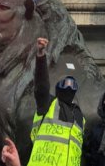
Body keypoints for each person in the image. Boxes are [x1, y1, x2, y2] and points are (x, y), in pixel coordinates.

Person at [29, 37, 85, 166]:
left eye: (72, 86)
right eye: (65, 84)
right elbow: (41, 85)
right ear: (58, 88)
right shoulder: (48, 104)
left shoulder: (80, 118)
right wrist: (41, 55)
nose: (69, 88)